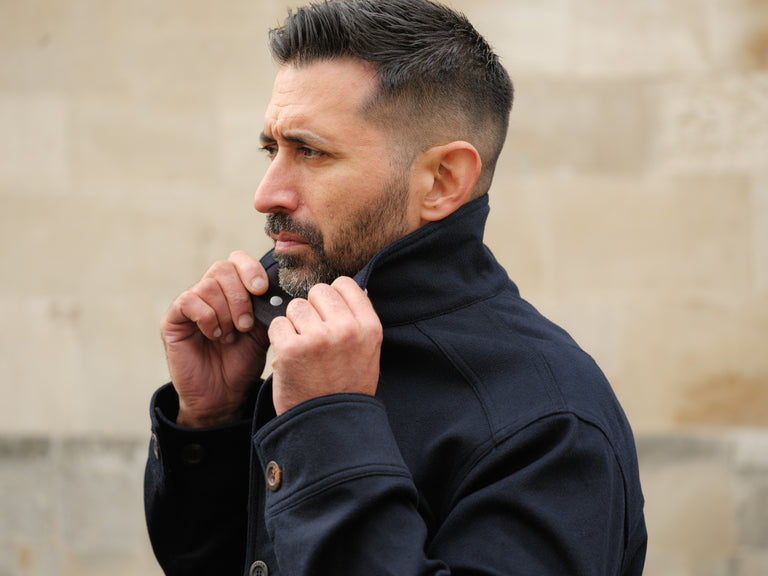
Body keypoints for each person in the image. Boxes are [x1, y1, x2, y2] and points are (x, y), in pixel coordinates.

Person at [144, 0, 647, 574]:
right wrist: (212, 424)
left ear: (442, 180)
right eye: (272, 150)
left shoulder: (551, 422)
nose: (266, 194)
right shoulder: (301, 346)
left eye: (311, 151)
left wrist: (328, 425)